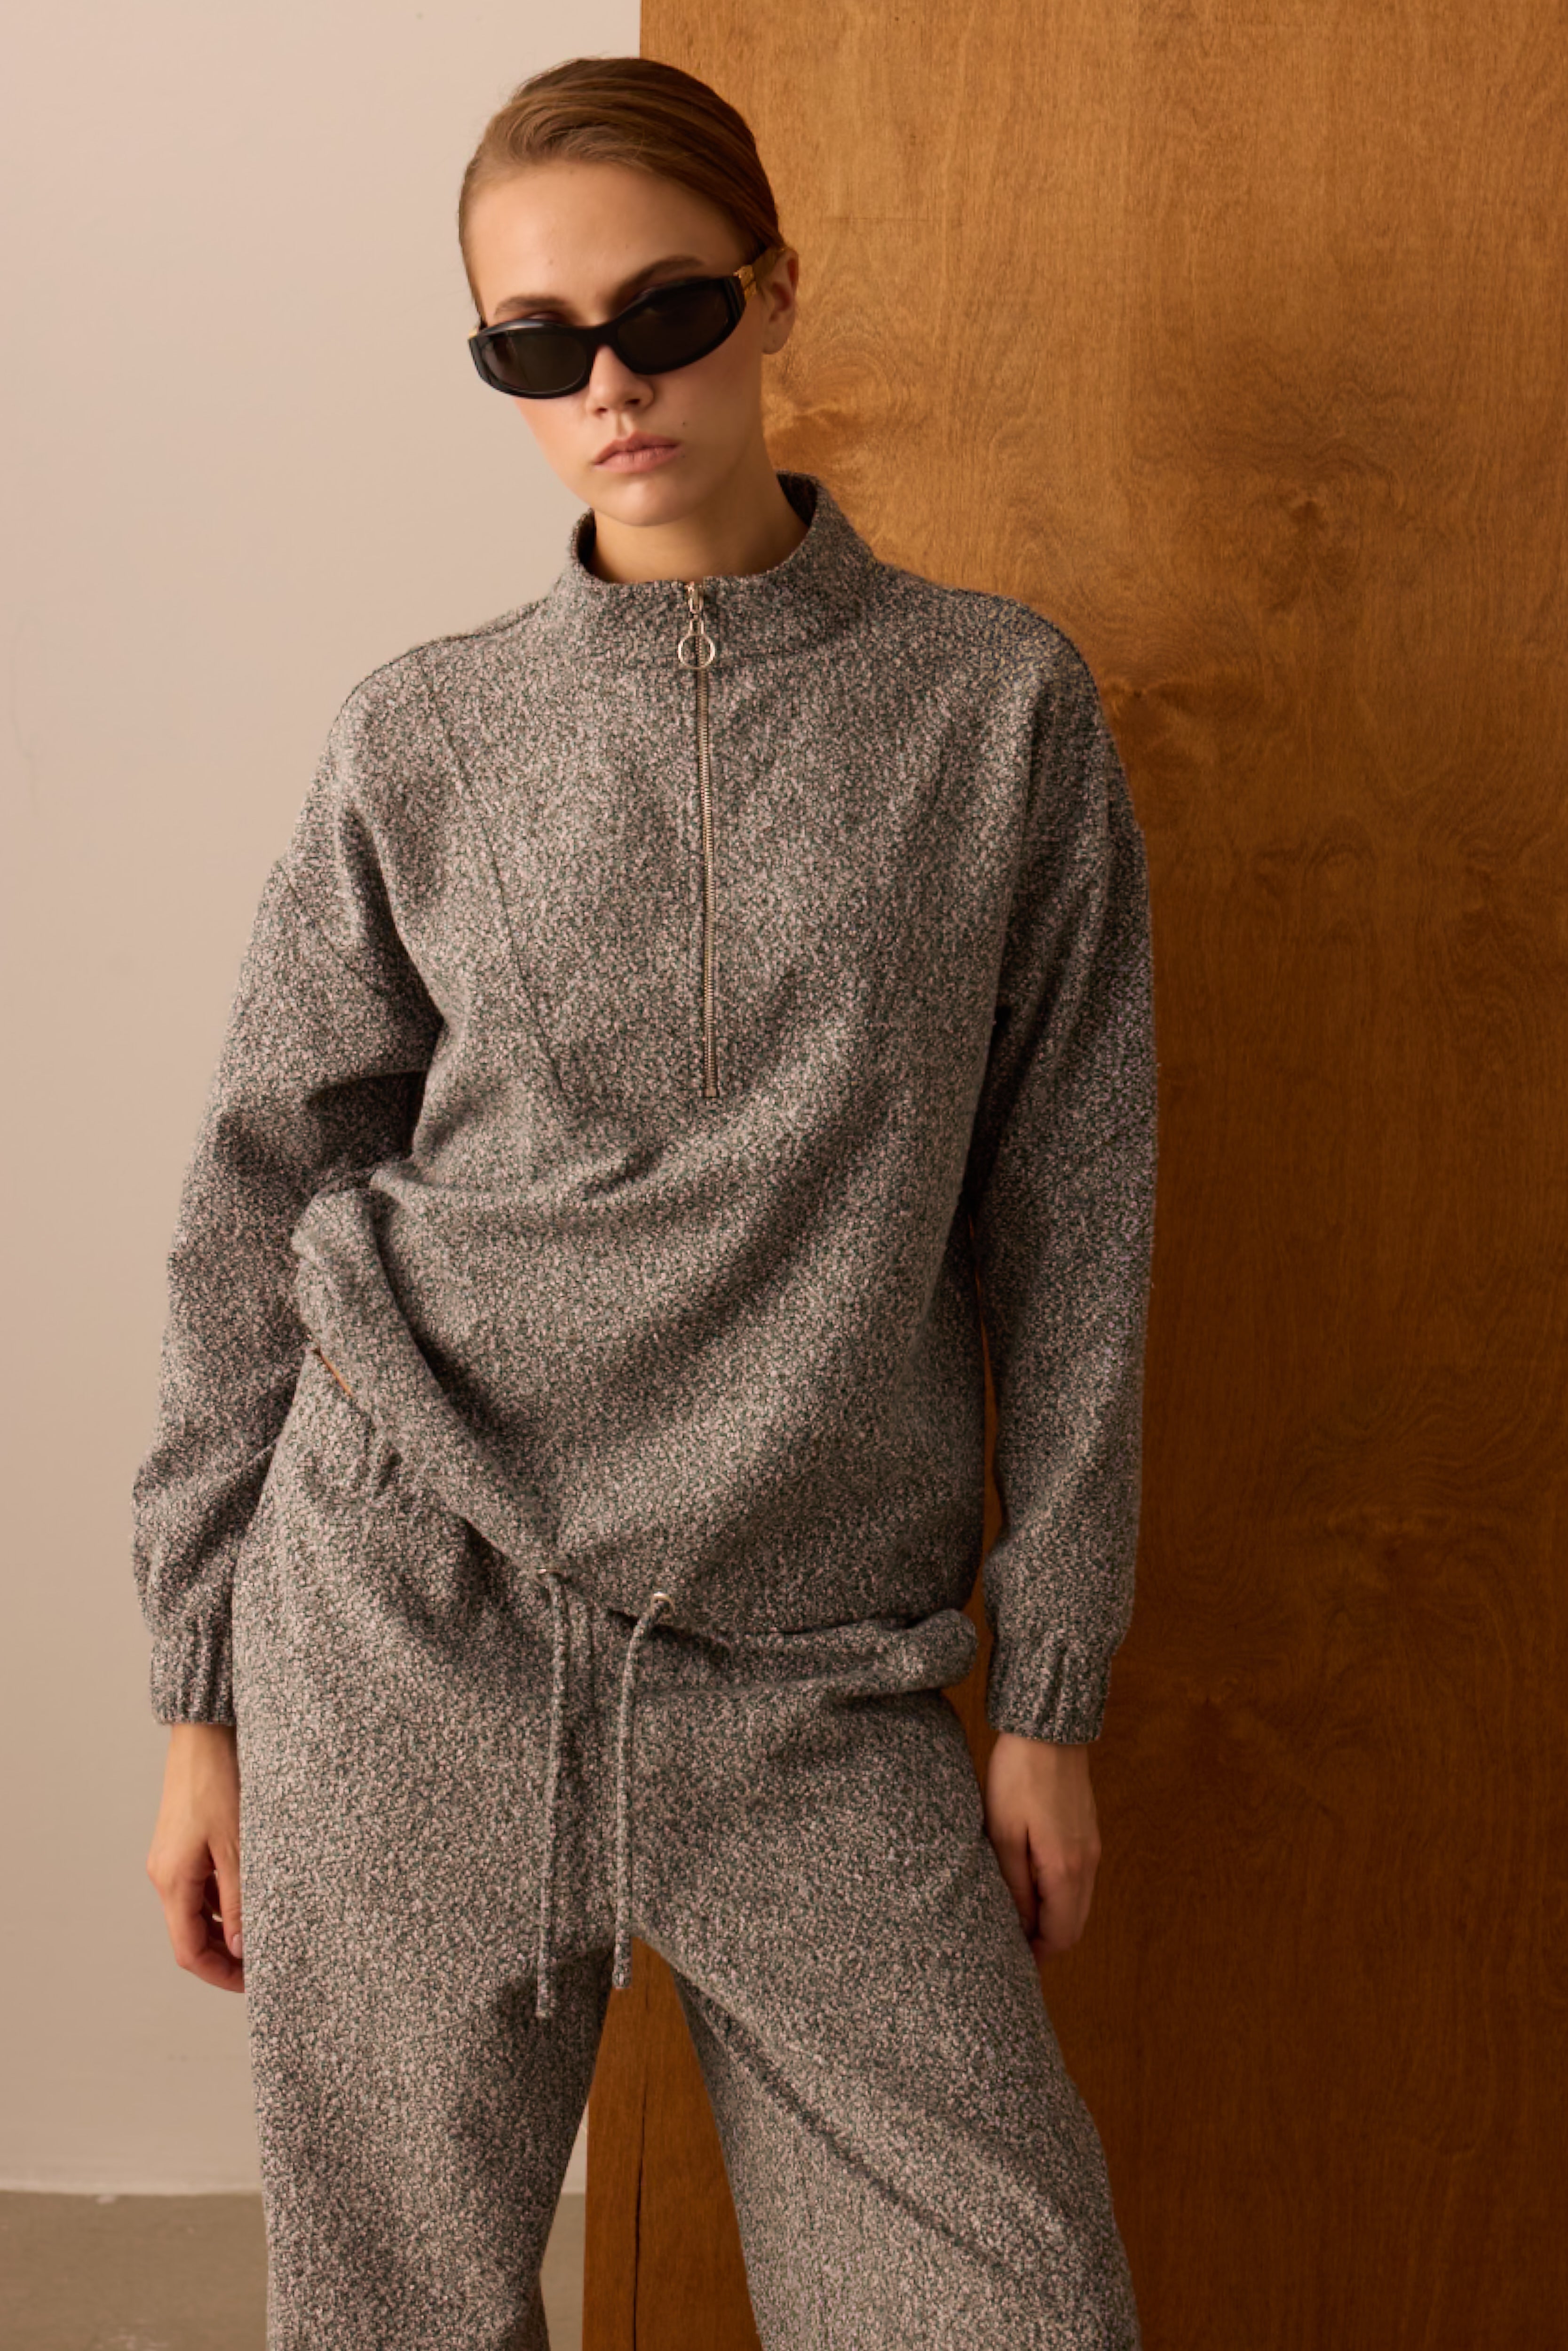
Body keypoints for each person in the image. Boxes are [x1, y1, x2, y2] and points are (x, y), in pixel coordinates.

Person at [135, 52, 1156, 2351]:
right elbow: (255, 1192)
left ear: (774, 294)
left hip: (809, 1662)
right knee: (395, 2319)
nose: (609, 384)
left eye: (665, 312)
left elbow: (1076, 1217)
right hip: (408, 1619)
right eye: (535, 344)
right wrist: (200, 1696)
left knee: (1012, 2307)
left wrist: (1053, 1685)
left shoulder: (997, 713)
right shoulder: (420, 735)